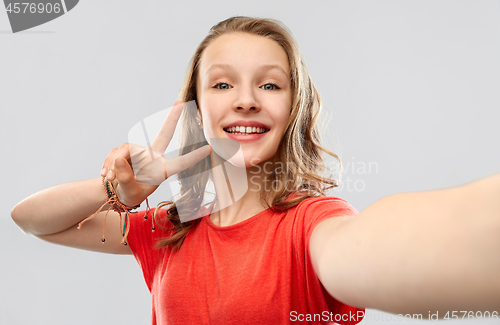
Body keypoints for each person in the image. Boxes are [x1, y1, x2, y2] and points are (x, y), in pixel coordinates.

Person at [10, 16, 500, 325]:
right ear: (199, 112)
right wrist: (119, 190)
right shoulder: (167, 228)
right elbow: (32, 219)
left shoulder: (313, 224)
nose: (246, 100)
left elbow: (377, 246)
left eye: (270, 86)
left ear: (294, 109)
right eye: (222, 85)